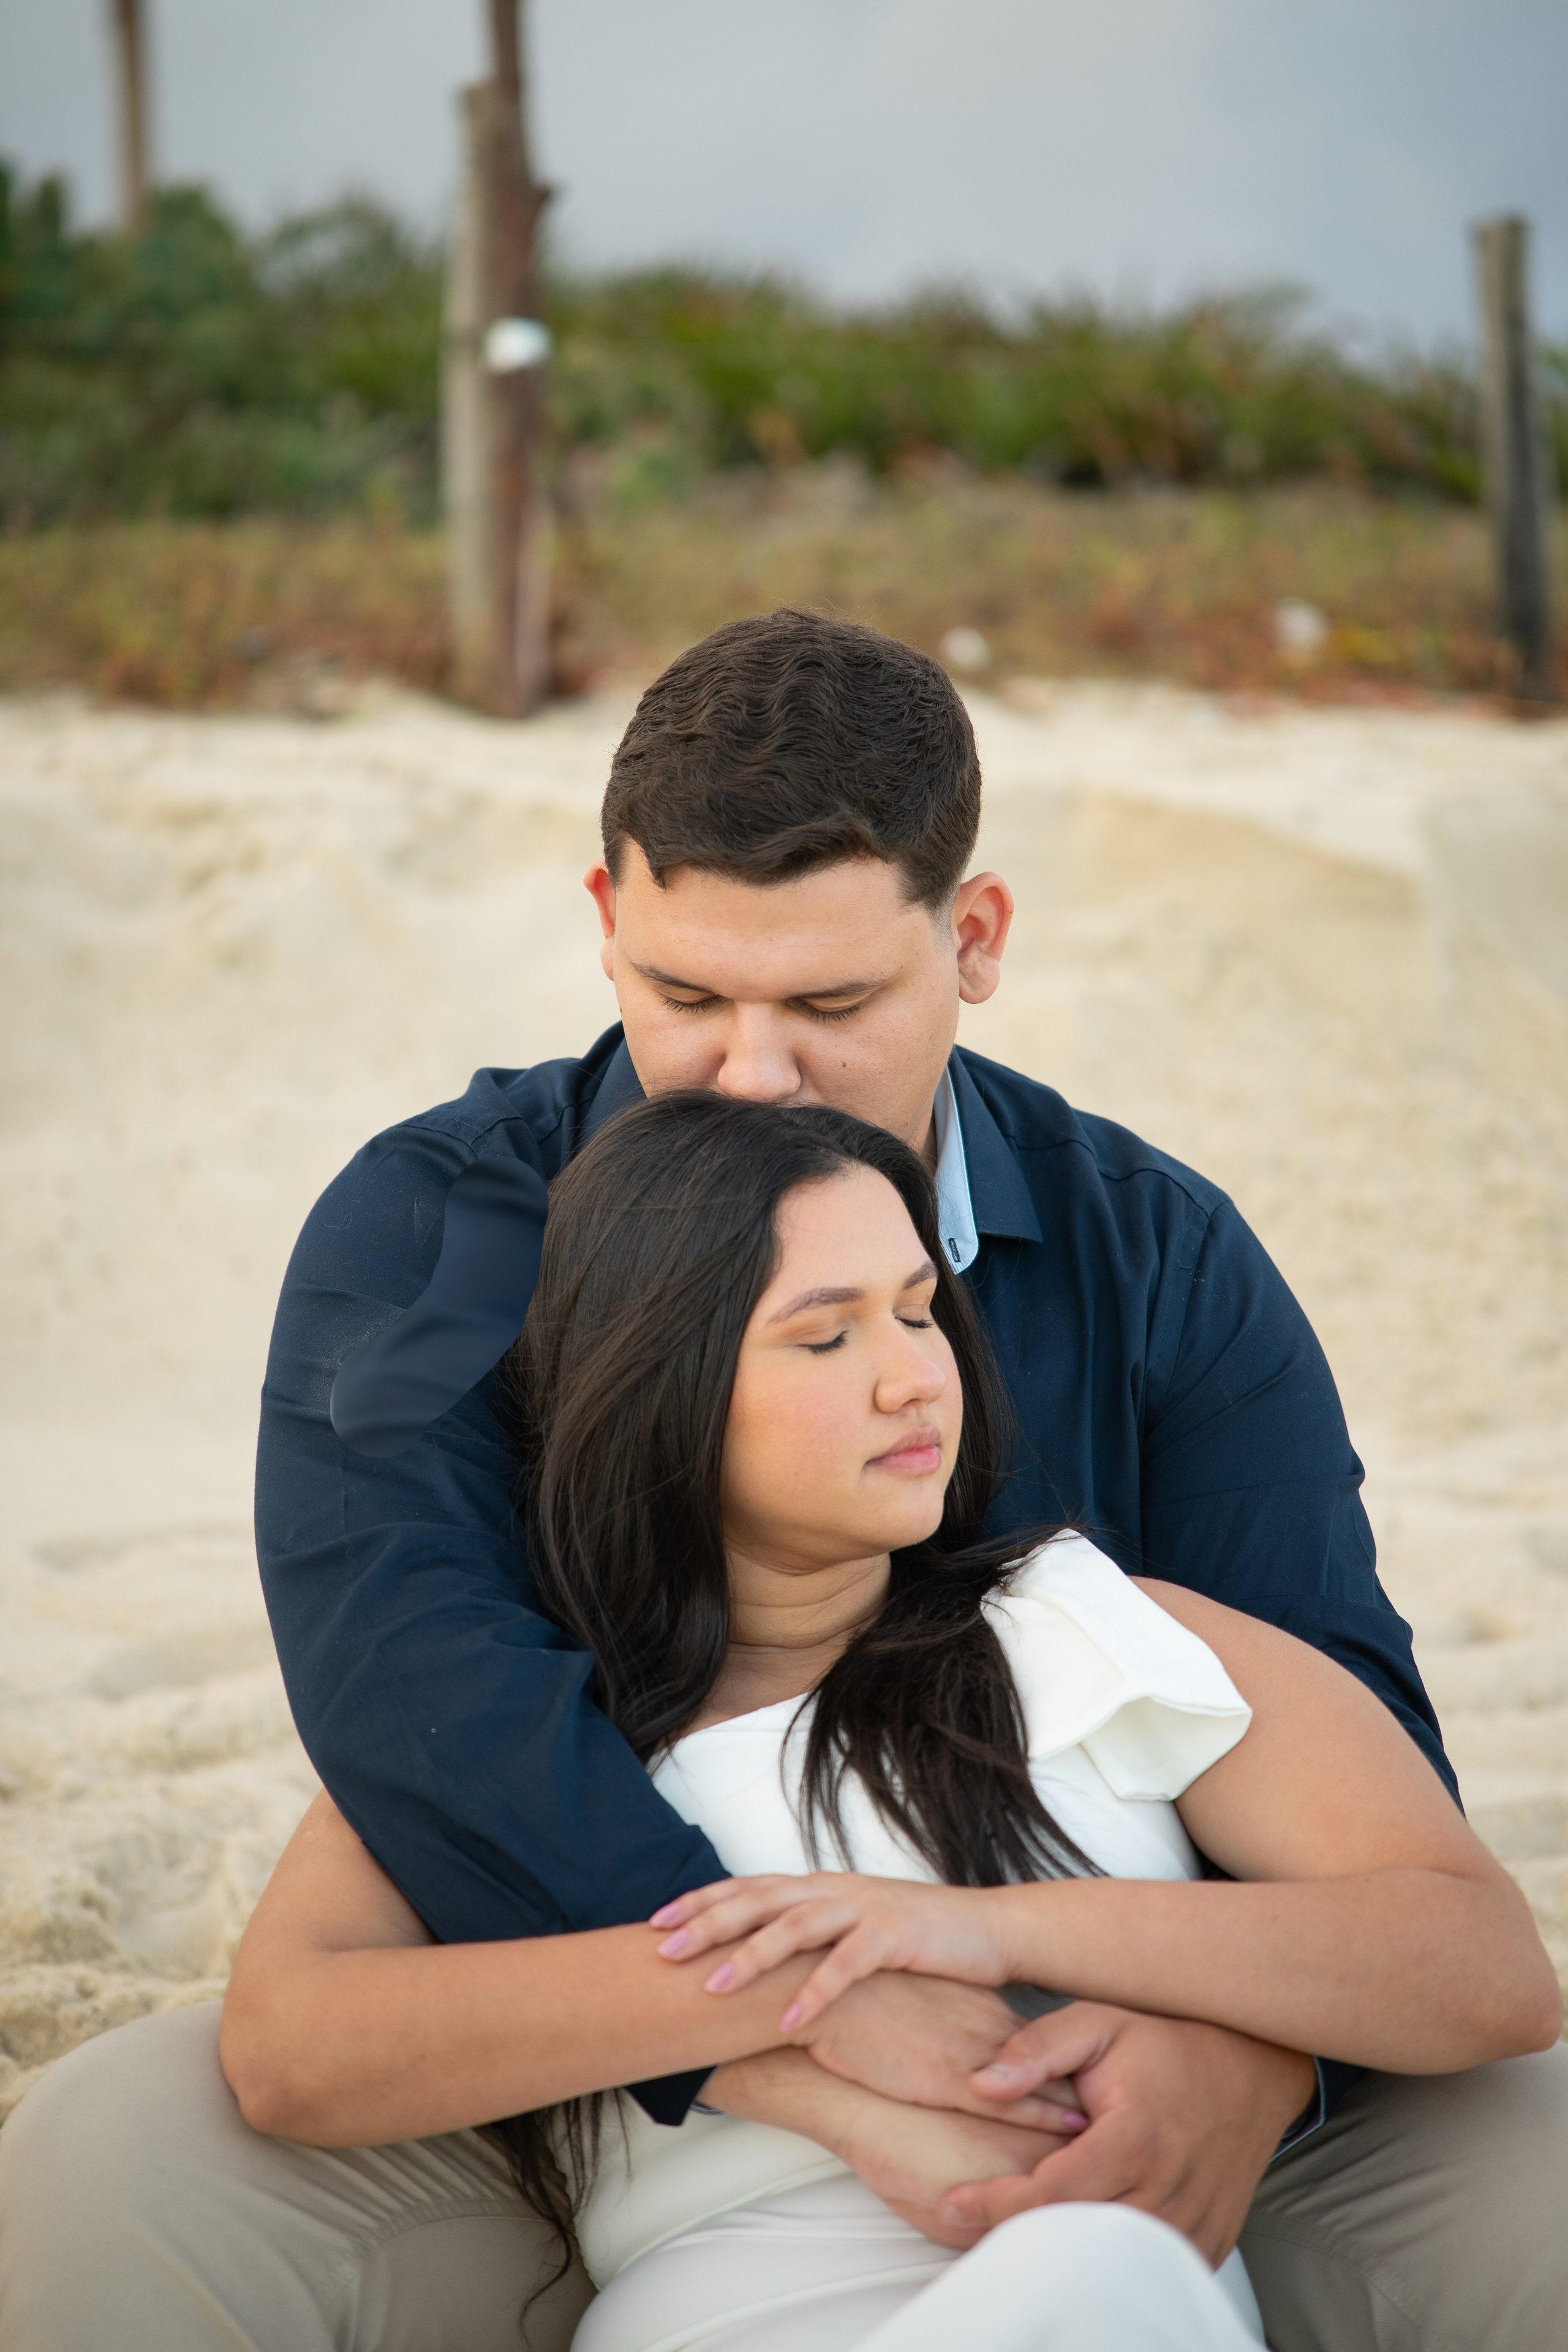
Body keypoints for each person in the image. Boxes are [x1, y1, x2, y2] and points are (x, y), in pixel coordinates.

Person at [3, 609, 1568, 2351]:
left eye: (831, 1003)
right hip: (583, 2079)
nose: (752, 1072)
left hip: (1108, 2061)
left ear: (972, 940)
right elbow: (419, 1707)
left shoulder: (1159, 1264)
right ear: (604, 925)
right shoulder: (431, 1233)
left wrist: (1246, 2057)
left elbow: (1370, 1798)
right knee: (118, 2147)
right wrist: (803, 2027)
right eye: (685, 995)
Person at [213, 1094, 1557, 2352]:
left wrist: (978, 1929)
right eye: (825, 1333)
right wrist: (807, 2036)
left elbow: (1484, 1966)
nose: (914, 1376)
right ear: (657, 1390)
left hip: (1104, 2306)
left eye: (918, 1312)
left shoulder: (1085, 1624)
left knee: (1088, 2279)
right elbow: (292, 2051)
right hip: (722, 2318)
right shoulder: (546, 1751)